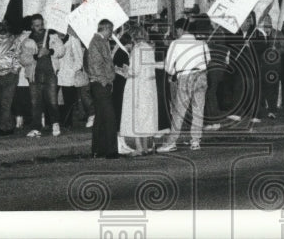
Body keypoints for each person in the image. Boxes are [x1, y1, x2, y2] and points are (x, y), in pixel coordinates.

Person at [158, 18, 209, 152]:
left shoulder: (175, 44)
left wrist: (174, 72)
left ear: (180, 29)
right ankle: (195, 141)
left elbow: (168, 67)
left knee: (179, 112)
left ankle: (171, 142)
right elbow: (208, 59)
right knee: (198, 110)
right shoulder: (202, 43)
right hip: (201, 76)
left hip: (184, 77)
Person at [119, 25, 160, 155]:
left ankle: (139, 148)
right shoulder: (149, 48)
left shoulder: (137, 50)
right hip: (148, 87)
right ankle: (146, 146)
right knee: (145, 116)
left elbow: (134, 71)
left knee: (135, 115)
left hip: (136, 86)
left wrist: (124, 70)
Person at [23, 16, 62, 138]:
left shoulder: (52, 36)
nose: (40, 28)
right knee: (35, 102)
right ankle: (36, 127)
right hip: (35, 75)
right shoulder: (27, 40)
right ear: (32, 26)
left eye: (41, 24)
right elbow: (22, 59)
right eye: (36, 25)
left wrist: (50, 51)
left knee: (52, 100)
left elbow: (62, 50)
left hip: (50, 73)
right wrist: (34, 57)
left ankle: (55, 124)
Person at [86, 19, 119, 159]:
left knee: (100, 118)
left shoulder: (100, 42)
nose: (112, 33)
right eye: (111, 30)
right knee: (110, 117)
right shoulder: (97, 42)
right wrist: (105, 82)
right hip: (100, 84)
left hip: (100, 83)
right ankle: (110, 151)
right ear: (105, 28)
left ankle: (98, 150)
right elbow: (96, 65)